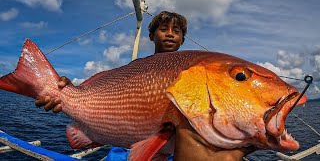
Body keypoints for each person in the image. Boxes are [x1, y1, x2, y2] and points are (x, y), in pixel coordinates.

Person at [35, 11, 255, 160]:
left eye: (176, 31)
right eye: (164, 29)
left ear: (182, 40)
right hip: (123, 150)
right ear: (151, 35)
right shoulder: (134, 69)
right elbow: (102, 95)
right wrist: (67, 91)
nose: (170, 34)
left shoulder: (196, 72)